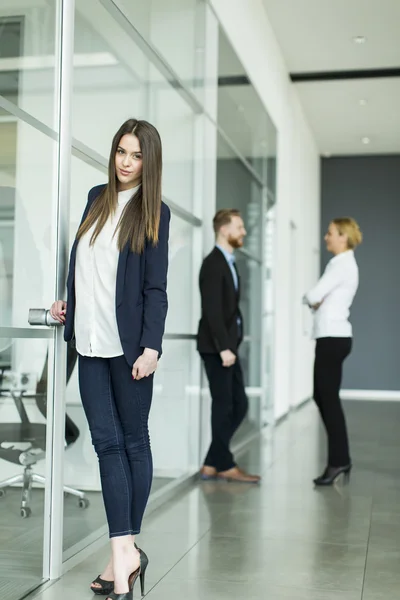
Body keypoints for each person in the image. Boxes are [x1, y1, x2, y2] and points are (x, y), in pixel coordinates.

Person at [50, 118, 170, 600]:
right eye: (122, 151)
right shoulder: (96, 198)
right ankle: (128, 556)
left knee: (133, 444)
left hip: (130, 349)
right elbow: (84, 267)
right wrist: (66, 303)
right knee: (107, 446)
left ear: (149, 161)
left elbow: (156, 289)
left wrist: (152, 346)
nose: (126, 162)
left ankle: (121, 565)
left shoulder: (152, 210)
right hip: (88, 343)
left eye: (136, 155)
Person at [197, 209, 260, 484]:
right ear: (224, 229)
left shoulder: (229, 262)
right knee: (224, 405)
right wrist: (224, 347)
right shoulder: (213, 264)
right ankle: (224, 464)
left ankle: (213, 462)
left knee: (239, 404)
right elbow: (212, 310)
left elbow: (230, 309)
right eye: (239, 226)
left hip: (227, 347)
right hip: (217, 348)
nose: (243, 231)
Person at [304, 217, 362, 486]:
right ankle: (341, 458)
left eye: (330, 233)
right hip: (334, 337)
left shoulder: (341, 264)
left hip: (332, 337)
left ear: (343, 236)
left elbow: (313, 295)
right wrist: (317, 299)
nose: (326, 237)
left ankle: (339, 461)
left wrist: (314, 299)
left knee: (327, 398)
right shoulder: (344, 264)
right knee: (325, 396)